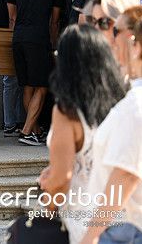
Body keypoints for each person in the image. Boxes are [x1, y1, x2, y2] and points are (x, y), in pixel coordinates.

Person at [38, 25, 126, 244]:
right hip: (122, 215)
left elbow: (62, 179)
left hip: (84, 218)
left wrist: (46, 207)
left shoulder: (67, 112)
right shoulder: (121, 105)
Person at [80, 15, 142, 244]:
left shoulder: (137, 104)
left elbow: (125, 176)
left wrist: (90, 237)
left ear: (135, 45)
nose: (109, 38)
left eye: (114, 30)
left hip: (131, 230)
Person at [11, 0, 62, 146]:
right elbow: (54, 22)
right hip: (38, 39)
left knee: (27, 86)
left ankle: (35, 130)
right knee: (42, 86)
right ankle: (26, 132)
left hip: (18, 38)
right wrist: (54, 45)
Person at [0, 0, 33, 137]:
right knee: (10, 80)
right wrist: (13, 38)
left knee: (19, 80)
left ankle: (18, 121)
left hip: (16, 36)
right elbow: (12, 18)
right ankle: (10, 122)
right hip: (9, 36)